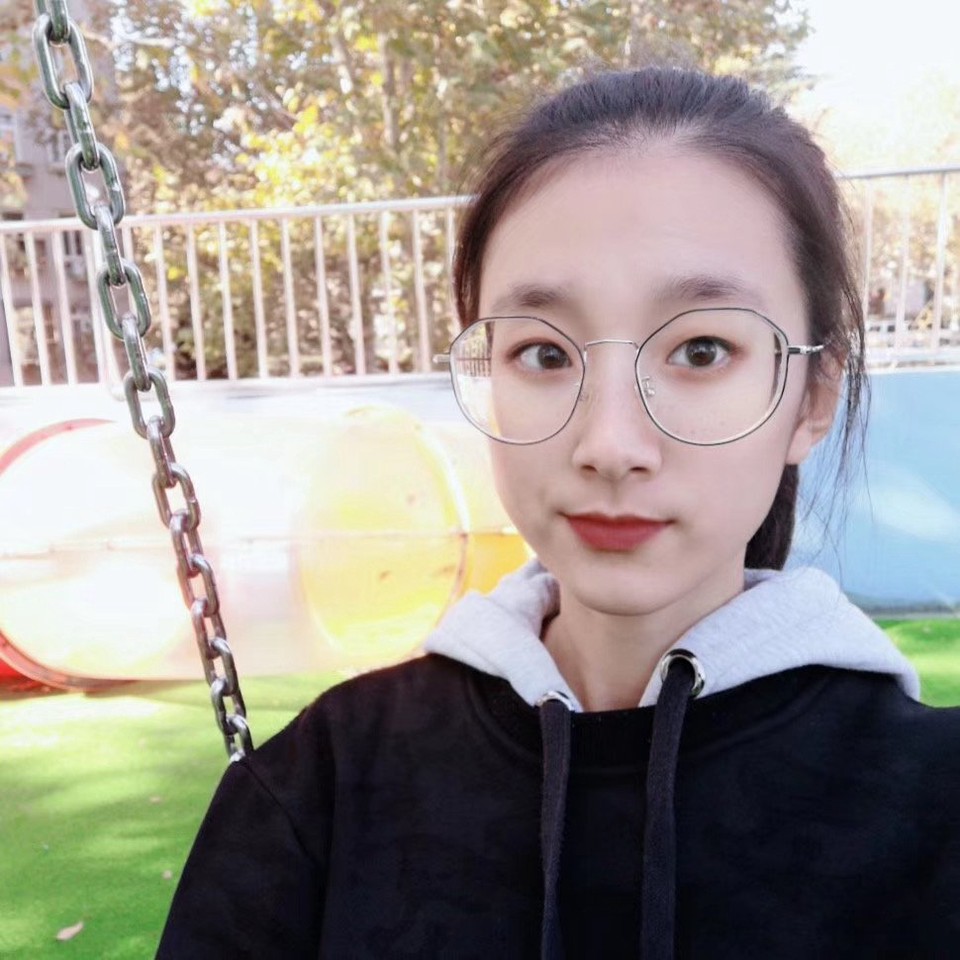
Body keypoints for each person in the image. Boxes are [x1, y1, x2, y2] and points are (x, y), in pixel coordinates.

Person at [156, 67, 960, 959]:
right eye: (543, 353)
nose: (609, 444)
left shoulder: (934, 804)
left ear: (812, 397)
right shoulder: (324, 784)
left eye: (701, 349)